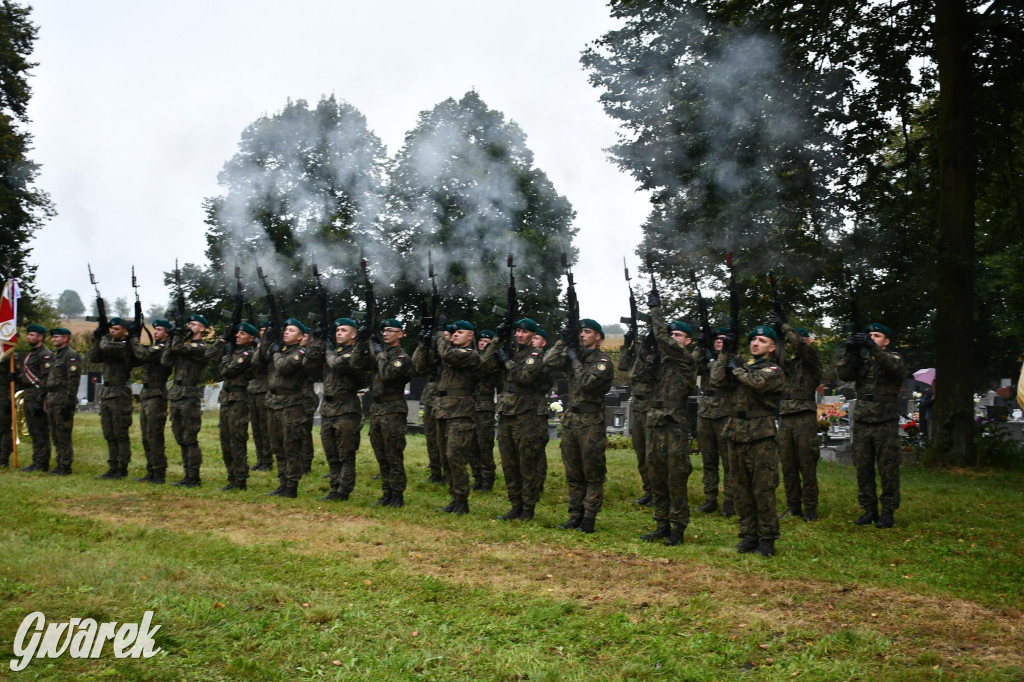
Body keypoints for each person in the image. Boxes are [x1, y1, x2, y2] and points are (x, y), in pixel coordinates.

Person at [712, 325, 785, 556]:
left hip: (760, 433)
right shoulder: (741, 367)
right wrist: (725, 354)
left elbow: (758, 384)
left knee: (762, 488)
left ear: (772, 347)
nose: (755, 343)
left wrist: (737, 370)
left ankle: (767, 538)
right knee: (740, 488)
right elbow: (715, 380)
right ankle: (748, 535)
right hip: (736, 431)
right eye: (753, 339)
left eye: (762, 341)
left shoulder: (774, 369)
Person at [545, 319, 614, 534]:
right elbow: (549, 362)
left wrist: (574, 360)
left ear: (598, 338)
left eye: (587, 332)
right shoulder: (574, 356)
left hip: (591, 422)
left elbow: (586, 382)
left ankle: (589, 518)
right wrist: (562, 342)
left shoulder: (602, 361)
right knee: (573, 472)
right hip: (572, 420)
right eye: (580, 332)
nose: (582, 335)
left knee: (592, 473)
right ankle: (575, 515)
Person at [836, 322, 907, 529]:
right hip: (863, 420)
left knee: (888, 469)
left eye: (877, 335)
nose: (872, 338)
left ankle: (887, 511)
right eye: (870, 335)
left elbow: (892, 367)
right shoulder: (863, 362)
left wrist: (871, 346)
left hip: (884, 420)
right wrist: (850, 351)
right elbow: (844, 374)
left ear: (886, 341)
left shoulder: (893, 358)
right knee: (863, 468)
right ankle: (869, 509)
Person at [640, 300, 699, 546]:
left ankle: (678, 527)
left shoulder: (686, 359)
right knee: (656, 474)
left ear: (687, 341)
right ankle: (661, 523)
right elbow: (638, 376)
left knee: (676, 475)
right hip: (655, 422)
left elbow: (664, 340)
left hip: (674, 423)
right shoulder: (661, 361)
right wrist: (646, 351)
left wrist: (656, 312)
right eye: (671, 333)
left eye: (679, 335)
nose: (673, 338)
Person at [481, 318, 548, 522]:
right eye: (517, 331)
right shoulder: (510, 352)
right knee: (509, 464)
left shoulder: (535, 355)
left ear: (532, 335)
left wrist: (506, 362)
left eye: (525, 332)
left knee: (527, 464)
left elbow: (524, 378)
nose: (520, 335)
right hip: (506, 414)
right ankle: (515, 505)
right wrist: (497, 340)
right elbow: (483, 364)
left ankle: (528, 508)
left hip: (526, 416)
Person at [355, 318, 414, 508]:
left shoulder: (402, 357)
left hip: (393, 409)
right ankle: (386, 492)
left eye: (390, 330)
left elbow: (388, 374)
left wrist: (379, 353)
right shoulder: (380, 353)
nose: (385, 333)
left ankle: (397, 495)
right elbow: (357, 364)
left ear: (400, 334)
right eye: (383, 331)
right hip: (377, 409)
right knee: (381, 455)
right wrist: (362, 342)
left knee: (393, 454)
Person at [770, 316, 824, 522]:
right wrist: (777, 334)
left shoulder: (811, 361)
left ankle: (810, 506)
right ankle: (793, 505)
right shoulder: (786, 363)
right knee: (788, 464)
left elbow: (799, 345)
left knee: (806, 464)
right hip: (785, 415)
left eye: (799, 339)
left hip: (804, 415)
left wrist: (785, 326)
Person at [431, 320, 481, 514]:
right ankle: (454, 497)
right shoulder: (449, 353)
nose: (455, 335)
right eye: (453, 332)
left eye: (460, 332)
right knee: (445, 457)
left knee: (455, 456)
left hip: (461, 413)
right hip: (443, 411)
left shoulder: (470, 355)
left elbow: (448, 355)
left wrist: (441, 338)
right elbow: (425, 363)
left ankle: (462, 500)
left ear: (470, 336)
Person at [263, 318, 316, 498]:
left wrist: (276, 353)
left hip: (291, 405)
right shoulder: (282, 350)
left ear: (301, 336)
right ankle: (282, 482)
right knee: (277, 446)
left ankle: (291, 485)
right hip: (274, 403)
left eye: (292, 330)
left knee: (291, 446)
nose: (287, 332)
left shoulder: (300, 352)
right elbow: (260, 361)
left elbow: (283, 367)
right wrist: (268, 342)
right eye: (286, 329)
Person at [320, 318, 369, 501]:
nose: (338, 333)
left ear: (353, 334)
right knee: (331, 452)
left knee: (345, 453)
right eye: (337, 330)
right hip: (328, 409)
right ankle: (334, 487)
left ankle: (343, 490)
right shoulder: (334, 352)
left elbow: (336, 364)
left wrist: (327, 350)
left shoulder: (355, 353)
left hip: (346, 409)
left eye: (343, 330)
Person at [162, 314, 211, 487]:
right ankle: (186, 474)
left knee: (190, 437)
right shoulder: (182, 346)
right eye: (188, 323)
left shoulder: (200, 347)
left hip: (189, 394)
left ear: (202, 329)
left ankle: (193, 476)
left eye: (193, 324)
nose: (189, 327)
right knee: (179, 436)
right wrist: (170, 340)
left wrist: (176, 337)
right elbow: (165, 360)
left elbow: (179, 349)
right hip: (176, 393)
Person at [88, 317, 139, 479]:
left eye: (116, 329)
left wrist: (103, 338)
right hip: (107, 391)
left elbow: (107, 347)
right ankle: (112, 466)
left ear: (125, 330)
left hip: (120, 392)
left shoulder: (124, 346)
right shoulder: (108, 343)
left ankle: (122, 467)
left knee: (120, 432)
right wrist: (97, 337)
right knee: (108, 432)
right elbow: (93, 356)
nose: (112, 331)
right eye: (110, 329)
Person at [617, 321, 658, 507]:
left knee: (652, 453)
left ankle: (658, 493)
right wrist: (627, 345)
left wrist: (645, 351)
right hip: (637, 405)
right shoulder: (641, 351)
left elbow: (640, 374)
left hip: (650, 404)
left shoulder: (657, 354)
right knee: (640, 451)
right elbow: (623, 365)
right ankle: (648, 490)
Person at [696, 327, 734, 516]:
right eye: (715, 339)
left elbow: (721, 379)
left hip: (725, 412)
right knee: (708, 460)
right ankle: (710, 499)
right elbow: (689, 367)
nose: (718, 341)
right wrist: (700, 347)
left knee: (728, 461)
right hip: (705, 412)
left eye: (722, 339)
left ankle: (729, 501)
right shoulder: (706, 357)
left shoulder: (733, 359)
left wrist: (716, 360)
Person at [131, 318, 173, 483]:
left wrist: (134, 339)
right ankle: (151, 470)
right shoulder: (156, 346)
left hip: (157, 393)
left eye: (160, 330)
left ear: (167, 333)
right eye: (155, 329)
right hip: (147, 393)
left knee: (154, 435)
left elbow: (143, 354)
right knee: (146, 435)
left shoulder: (162, 348)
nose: (155, 332)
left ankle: (158, 472)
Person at [218, 322, 258, 491]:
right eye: (238, 333)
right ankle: (232, 477)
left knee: (237, 439)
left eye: (242, 334)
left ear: (251, 338)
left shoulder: (248, 354)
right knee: (225, 440)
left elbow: (227, 371)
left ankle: (240, 479)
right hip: (227, 398)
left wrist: (226, 356)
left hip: (239, 399)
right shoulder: (237, 352)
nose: (238, 336)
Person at [44, 327, 81, 476]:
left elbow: (73, 380)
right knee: (55, 433)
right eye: (53, 337)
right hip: (52, 399)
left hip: (62, 400)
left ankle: (65, 465)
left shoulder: (71, 356)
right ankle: (59, 462)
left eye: (57, 337)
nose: (54, 340)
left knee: (63, 434)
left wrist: (69, 402)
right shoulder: (56, 356)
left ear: (65, 339)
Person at [412, 329, 445, 486]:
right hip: (430, 398)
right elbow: (417, 365)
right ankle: (435, 471)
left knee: (443, 438)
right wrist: (423, 345)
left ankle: (448, 471)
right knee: (431, 437)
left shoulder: (450, 351)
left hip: (445, 400)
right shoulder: (433, 353)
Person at [18, 324, 51, 471]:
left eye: (32, 335)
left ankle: (42, 462)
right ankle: (36, 460)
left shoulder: (45, 355)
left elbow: (46, 379)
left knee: (41, 430)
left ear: (40, 337)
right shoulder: (31, 354)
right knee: (33, 430)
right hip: (29, 395)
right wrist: (17, 378)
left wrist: (40, 400)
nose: (29, 337)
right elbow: (27, 375)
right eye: (29, 334)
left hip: (38, 396)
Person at [471, 330, 500, 491]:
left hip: (485, 408)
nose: (482, 343)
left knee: (484, 446)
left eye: (486, 341)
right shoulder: (473, 357)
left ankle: (487, 479)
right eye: (481, 340)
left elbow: (482, 366)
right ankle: (477, 477)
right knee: (471, 446)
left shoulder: (492, 362)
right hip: (471, 406)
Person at [247, 321, 272, 472]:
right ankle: (260, 459)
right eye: (261, 330)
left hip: (264, 390)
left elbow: (259, 363)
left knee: (265, 428)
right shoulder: (256, 347)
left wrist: (260, 348)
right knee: (256, 428)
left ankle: (267, 460)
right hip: (253, 390)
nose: (263, 333)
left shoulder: (270, 349)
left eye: (265, 330)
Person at [1, 351, 22, 467]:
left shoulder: (10, 354)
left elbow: (18, 377)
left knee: (5, 428)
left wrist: (12, 397)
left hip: (4, 395)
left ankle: (3, 458)